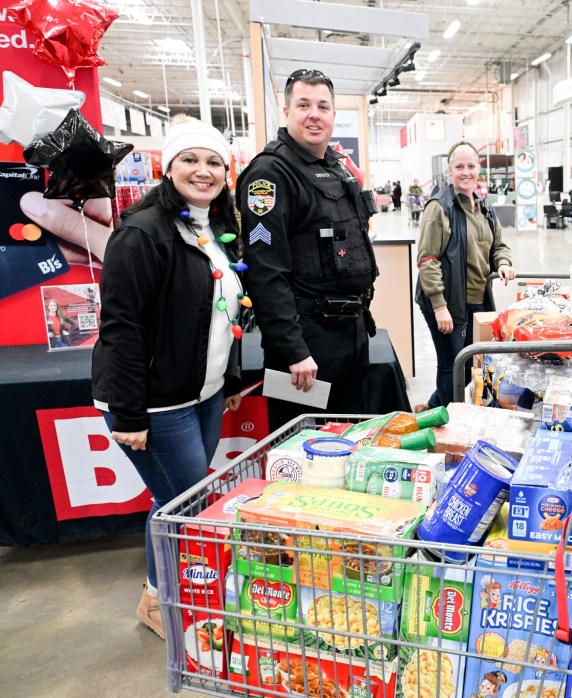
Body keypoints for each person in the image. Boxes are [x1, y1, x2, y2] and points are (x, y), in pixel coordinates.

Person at [91, 116, 245, 639]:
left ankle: (158, 597)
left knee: (173, 504)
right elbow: (122, 328)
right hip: (154, 403)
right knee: (193, 506)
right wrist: (130, 413)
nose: (203, 171)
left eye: (214, 162)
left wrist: (225, 381)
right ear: (168, 166)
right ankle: (165, 601)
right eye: (191, 160)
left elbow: (225, 310)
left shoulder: (212, 226)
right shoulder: (141, 233)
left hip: (200, 393)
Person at [237, 68, 379, 432]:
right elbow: (265, 271)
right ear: (287, 112)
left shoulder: (334, 167)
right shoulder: (270, 175)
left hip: (348, 333)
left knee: (350, 435)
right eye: (304, 105)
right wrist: (293, 350)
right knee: (302, 448)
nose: (314, 114)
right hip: (306, 345)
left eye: (323, 106)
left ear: (333, 115)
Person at [415, 140, 515, 410]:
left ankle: (431, 409)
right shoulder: (439, 208)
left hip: (476, 299)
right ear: (450, 170)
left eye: (471, 166)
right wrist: (439, 306)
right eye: (459, 167)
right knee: (452, 366)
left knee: (472, 362)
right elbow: (427, 259)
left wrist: (503, 262)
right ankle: (449, 424)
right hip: (447, 301)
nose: (466, 172)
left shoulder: (484, 208)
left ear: (479, 169)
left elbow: (498, 245)